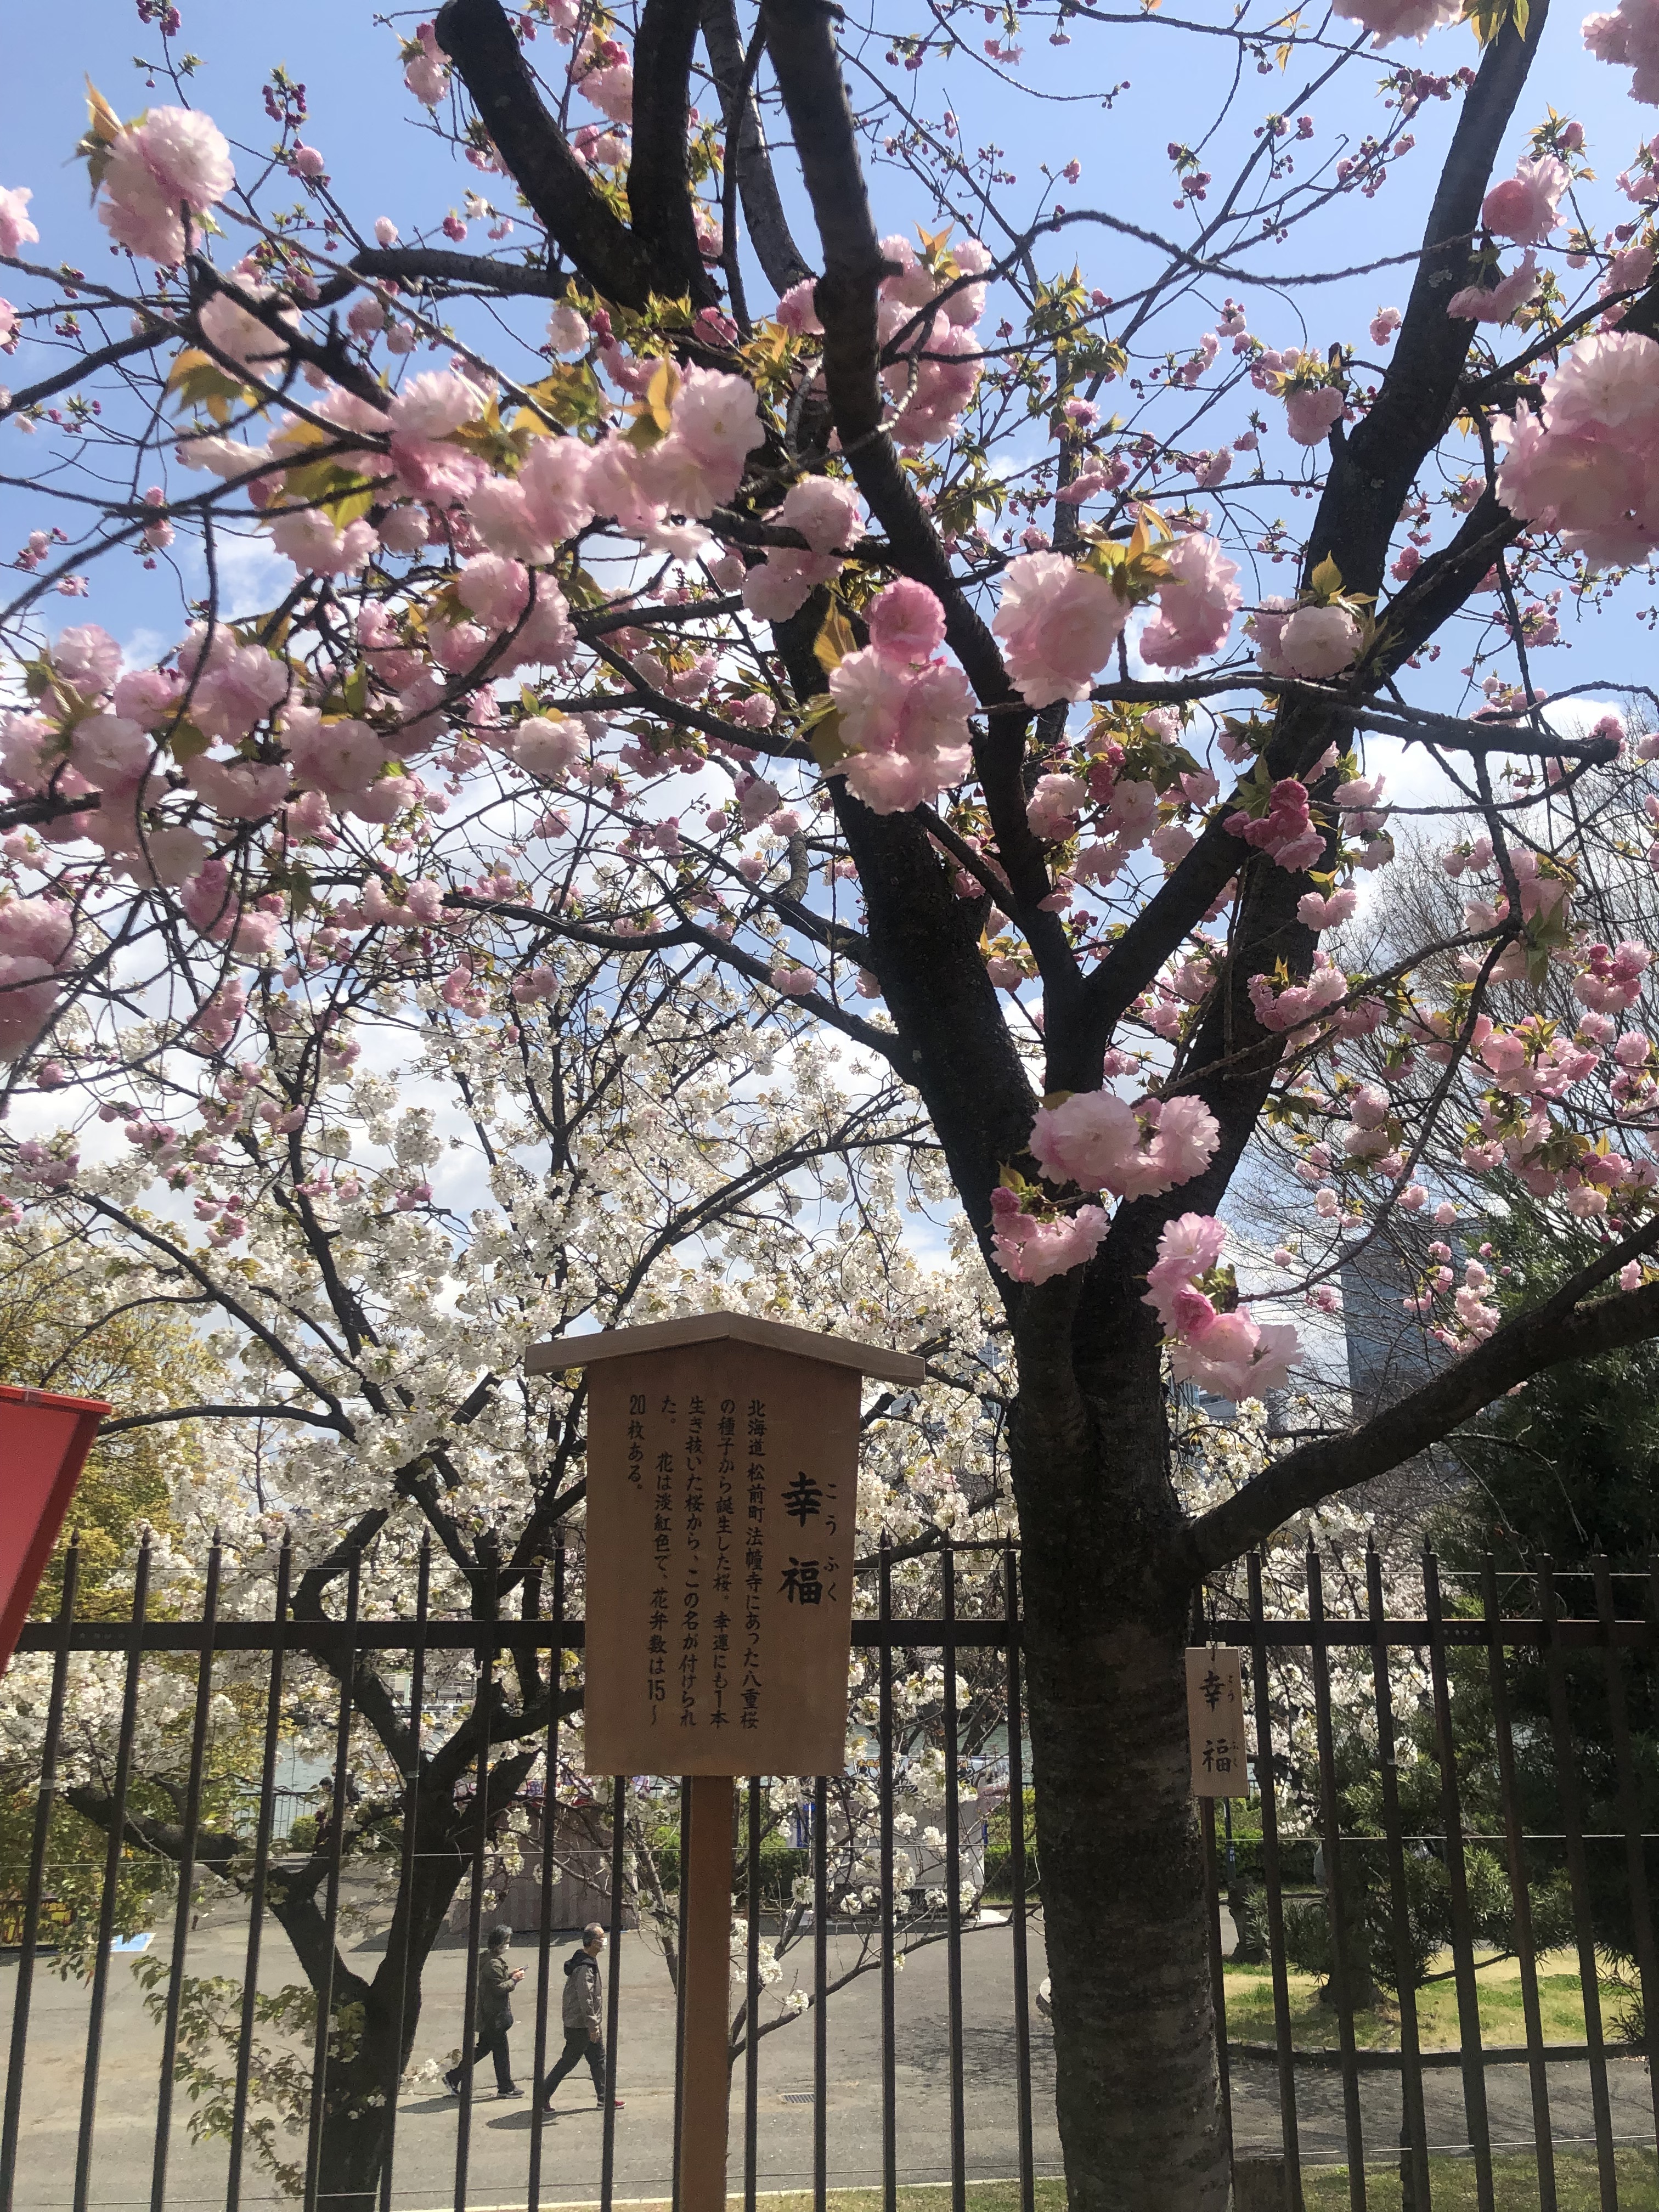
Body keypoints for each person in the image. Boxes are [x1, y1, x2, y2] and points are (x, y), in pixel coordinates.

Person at [540, 1922, 622, 2113]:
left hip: (586, 2023)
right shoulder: (585, 1967)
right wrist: (593, 2026)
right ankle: (542, 2097)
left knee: (598, 2059)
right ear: (593, 1942)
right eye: (601, 1938)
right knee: (568, 2062)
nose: (604, 1942)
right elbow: (586, 1999)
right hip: (581, 2026)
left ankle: (605, 2099)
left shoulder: (586, 1961)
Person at [445, 1923, 523, 2098]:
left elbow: (495, 1982)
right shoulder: (493, 1963)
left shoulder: (487, 1959)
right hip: (494, 2016)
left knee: (485, 2048)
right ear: (499, 1943)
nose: (508, 1945)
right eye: (506, 1941)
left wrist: (510, 1976)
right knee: (500, 2052)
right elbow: (499, 1988)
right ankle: (505, 2087)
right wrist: (514, 1980)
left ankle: (454, 2077)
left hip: (488, 2015)